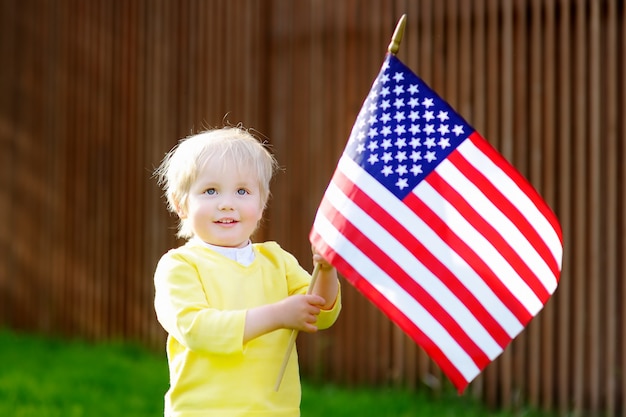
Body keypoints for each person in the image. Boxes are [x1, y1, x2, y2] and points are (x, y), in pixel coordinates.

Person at [153, 126, 341, 417]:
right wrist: (278, 315)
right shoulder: (180, 266)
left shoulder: (277, 260)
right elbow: (197, 330)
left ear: (261, 203)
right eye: (210, 190)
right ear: (181, 205)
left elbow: (321, 312)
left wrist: (326, 271)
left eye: (242, 191)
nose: (227, 203)